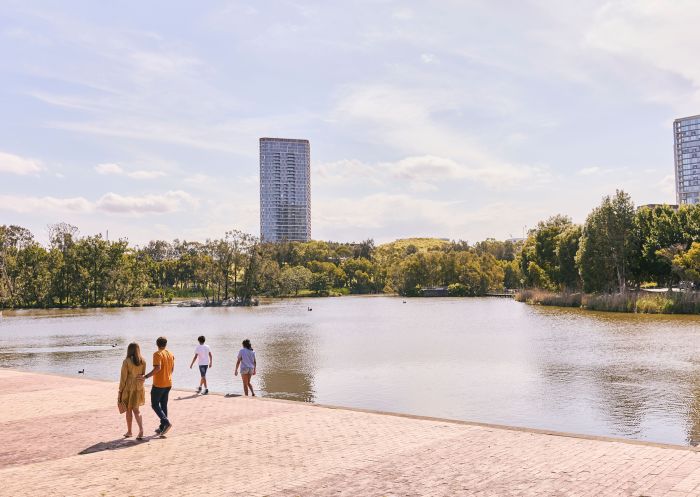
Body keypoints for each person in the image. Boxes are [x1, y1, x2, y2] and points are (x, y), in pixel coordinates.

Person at [139, 336, 175, 437]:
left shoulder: (157, 354)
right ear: (165, 344)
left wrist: (145, 376)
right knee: (163, 405)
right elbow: (172, 369)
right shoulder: (170, 354)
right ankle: (162, 427)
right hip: (168, 383)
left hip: (159, 384)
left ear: (157, 344)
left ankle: (166, 423)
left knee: (155, 404)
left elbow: (158, 368)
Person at [118, 342, 146, 440]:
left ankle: (129, 431)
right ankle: (141, 429)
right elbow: (143, 376)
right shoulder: (143, 361)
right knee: (137, 410)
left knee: (128, 410)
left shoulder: (126, 362)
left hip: (129, 388)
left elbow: (123, 378)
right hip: (139, 388)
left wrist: (120, 391)